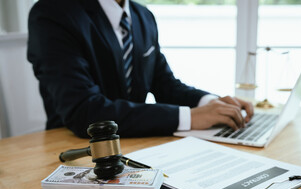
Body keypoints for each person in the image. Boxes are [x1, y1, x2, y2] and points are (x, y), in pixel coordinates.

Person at [27, 0, 253, 138]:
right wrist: (189, 117)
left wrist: (211, 103)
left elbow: (165, 84)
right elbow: (83, 111)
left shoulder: (143, 16)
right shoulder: (52, 14)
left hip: (139, 146)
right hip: (78, 152)